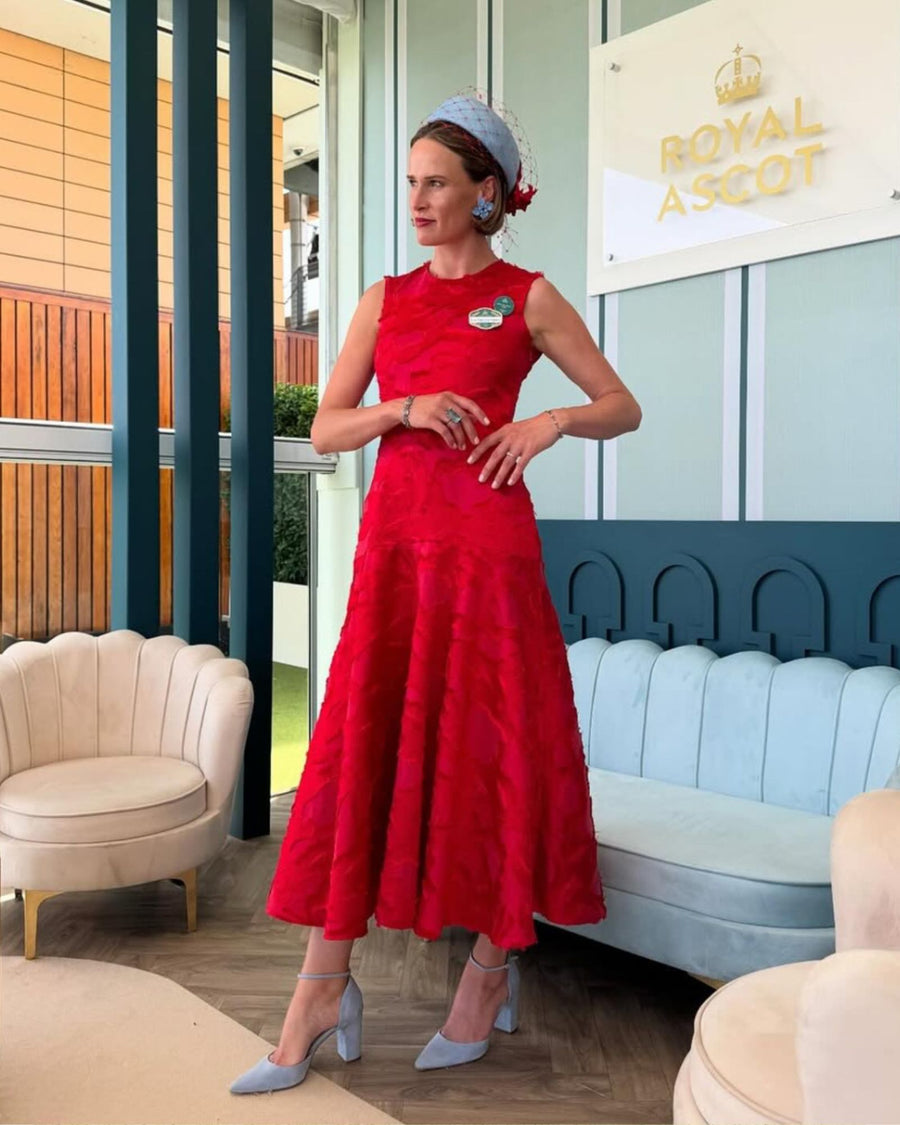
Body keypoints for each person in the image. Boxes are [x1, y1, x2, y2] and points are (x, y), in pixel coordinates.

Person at [230, 94, 642, 1096]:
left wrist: (546, 425)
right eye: (410, 181)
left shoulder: (529, 297)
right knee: (363, 746)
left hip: (491, 555)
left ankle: (492, 966)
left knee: (494, 748)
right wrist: (403, 408)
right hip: (399, 557)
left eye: (435, 183)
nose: (415, 199)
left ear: (485, 194)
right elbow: (326, 430)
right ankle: (322, 985)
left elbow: (621, 405)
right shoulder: (384, 299)